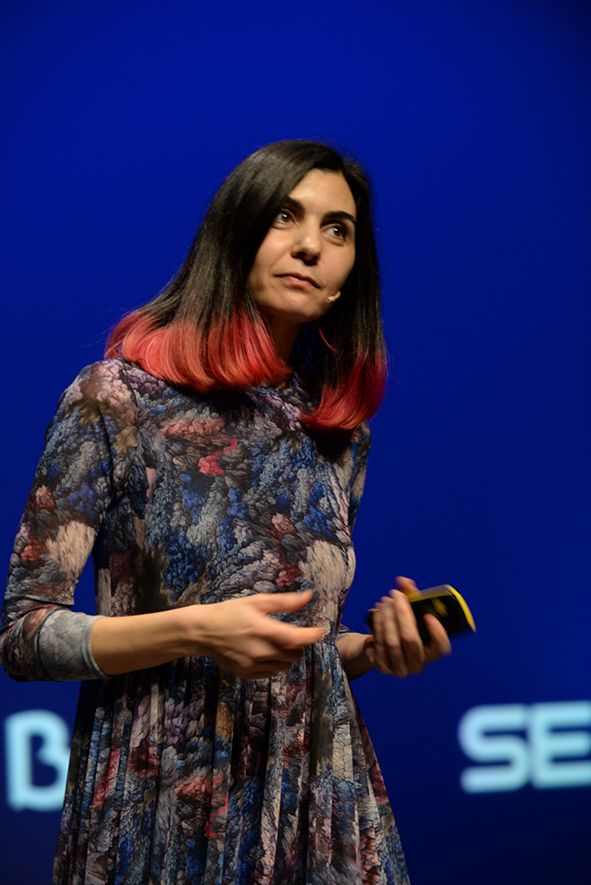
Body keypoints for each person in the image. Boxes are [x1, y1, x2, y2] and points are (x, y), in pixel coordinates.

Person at [1, 140, 451, 885]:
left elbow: (294, 649)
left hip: (311, 803)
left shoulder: (338, 436)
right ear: (235, 235)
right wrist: (196, 631)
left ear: (348, 278)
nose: (311, 245)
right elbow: (23, 634)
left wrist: (371, 649)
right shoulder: (115, 398)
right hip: (160, 803)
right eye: (285, 216)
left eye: (337, 230)